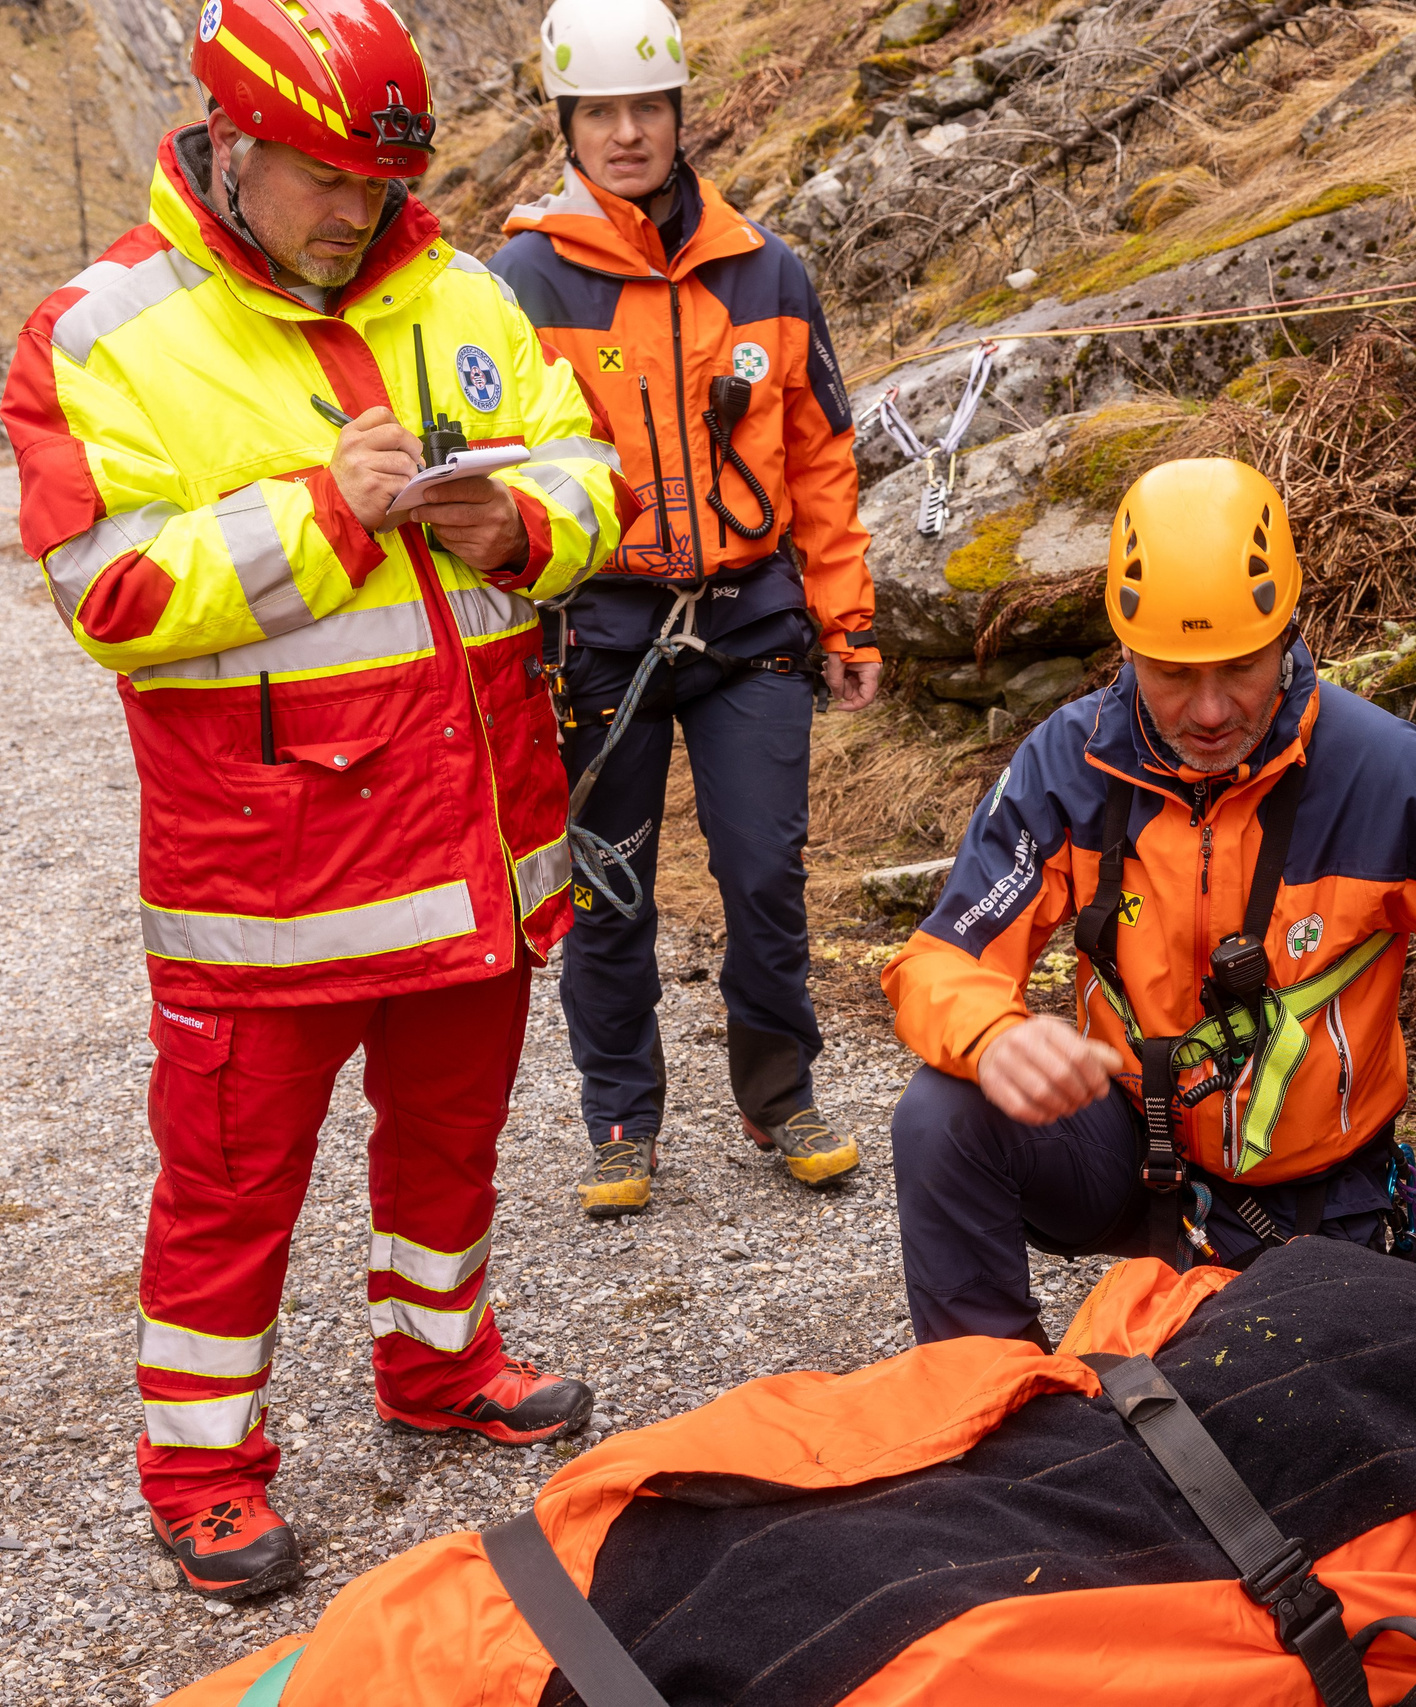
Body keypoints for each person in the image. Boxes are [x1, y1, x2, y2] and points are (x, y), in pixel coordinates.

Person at [1, 0, 624, 1598]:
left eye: (381, 180)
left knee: (454, 1142)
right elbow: (111, 592)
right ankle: (202, 1466)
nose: (360, 211)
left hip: (476, 853)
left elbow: (585, 470)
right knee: (231, 1189)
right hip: (265, 884)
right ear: (234, 139)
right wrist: (325, 515)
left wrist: (522, 528)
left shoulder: (464, 288)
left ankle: (440, 1360)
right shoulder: (100, 332)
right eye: (328, 178)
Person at [881, 458, 1416, 1345]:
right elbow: (940, 960)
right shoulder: (1070, 768)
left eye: (1242, 666)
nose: (1210, 710)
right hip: (1129, 1155)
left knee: (1293, 1409)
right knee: (944, 1117)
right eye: (1173, 673)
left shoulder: (1384, 776)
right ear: (1126, 650)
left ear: (1287, 632)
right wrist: (995, 1036)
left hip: (1317, 1200)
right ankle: (996, 1405)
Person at [490, 0, 881, 1217]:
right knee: (610, 885)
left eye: (644, 109)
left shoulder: (767, 269)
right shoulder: (519, 281)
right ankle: (621, 1117)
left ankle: (780, 1095)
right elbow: (495, 478)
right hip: (598, 628)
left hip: (749, 620)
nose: (625, 134)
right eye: (599, 112)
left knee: (764, 874)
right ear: (567, 124)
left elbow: (820, 458)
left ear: (676, 115)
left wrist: (847, 620)